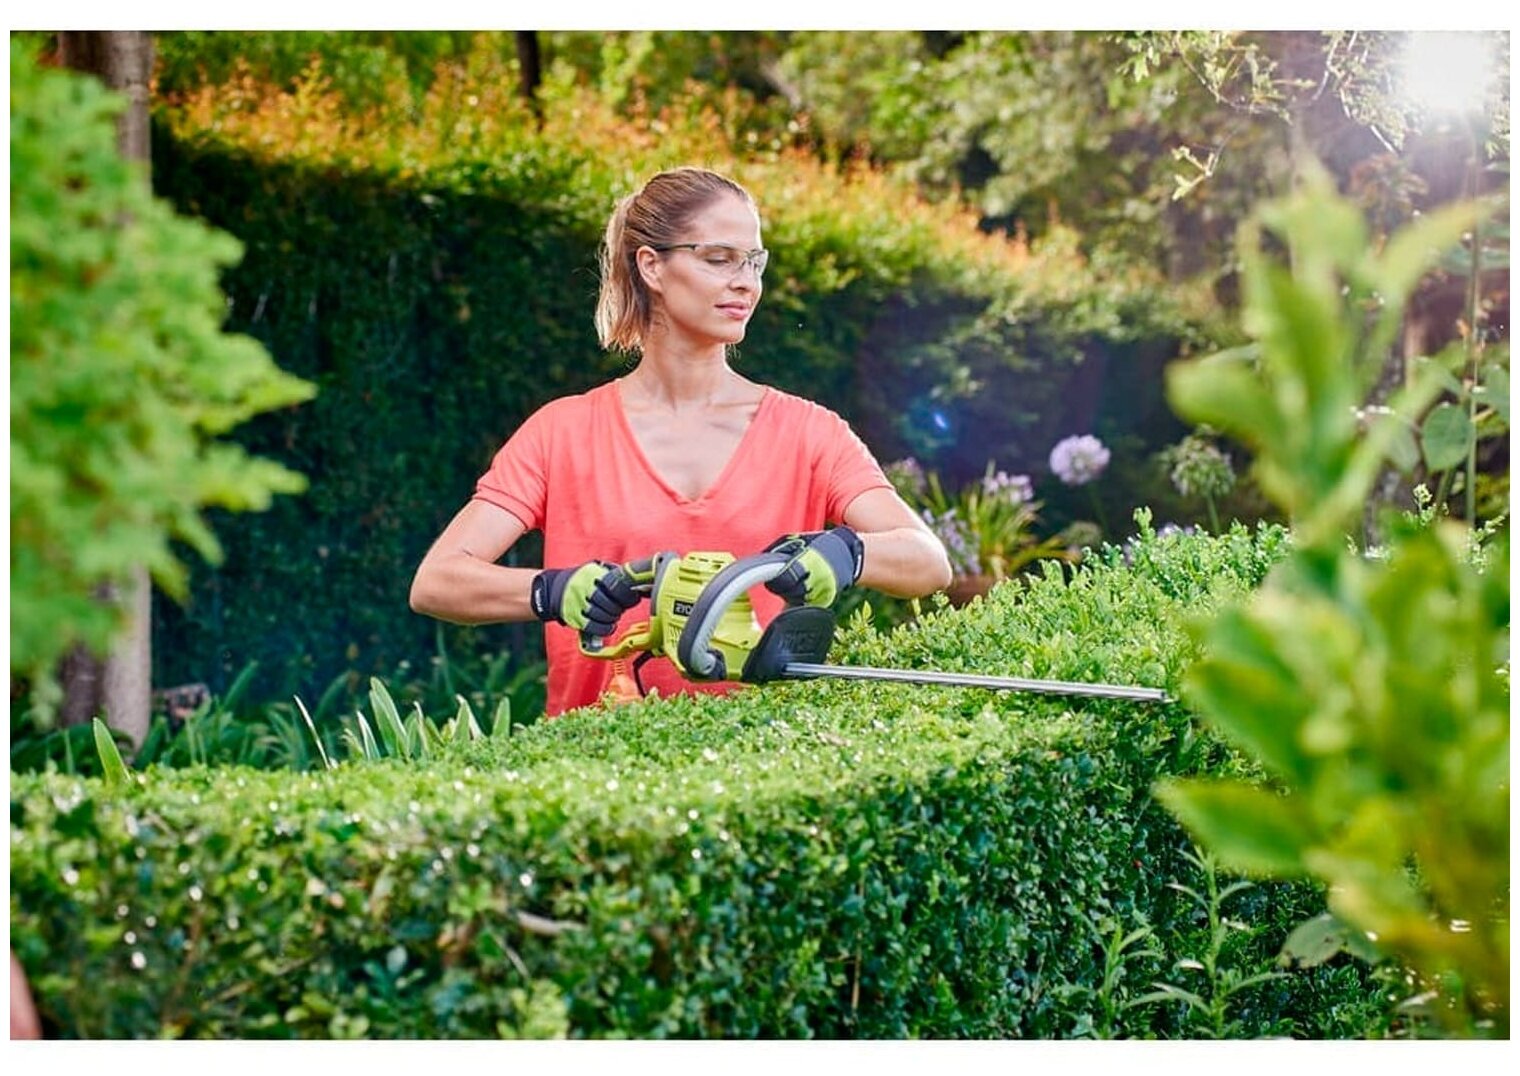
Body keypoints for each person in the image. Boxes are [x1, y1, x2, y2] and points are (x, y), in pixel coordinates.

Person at [410, 166, 951, 717]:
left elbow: (928, 562)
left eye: (755, 262)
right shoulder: (562, 432)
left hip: (769, 754)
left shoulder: (810, 432)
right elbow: (438, 581)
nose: (746, 282)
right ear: (652, 266)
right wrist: (550, 592)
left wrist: (847, 553)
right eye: (719, 259)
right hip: (599, 758)